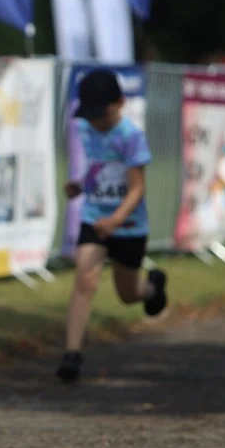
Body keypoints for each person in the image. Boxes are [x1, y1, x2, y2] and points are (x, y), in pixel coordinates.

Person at [58, 69, 168, 383]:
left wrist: (117, 220)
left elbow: (137, 188)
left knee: (128, 293)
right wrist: (80, 186)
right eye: (90, 115)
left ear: (119, 104)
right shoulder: (86, 128)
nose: (96, 122)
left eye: (101, 114)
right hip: (95, 217)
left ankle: (153, 287)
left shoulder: (131, 137)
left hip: (129, 225)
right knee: (85, 279)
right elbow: (98, 166)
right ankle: (72, 354)